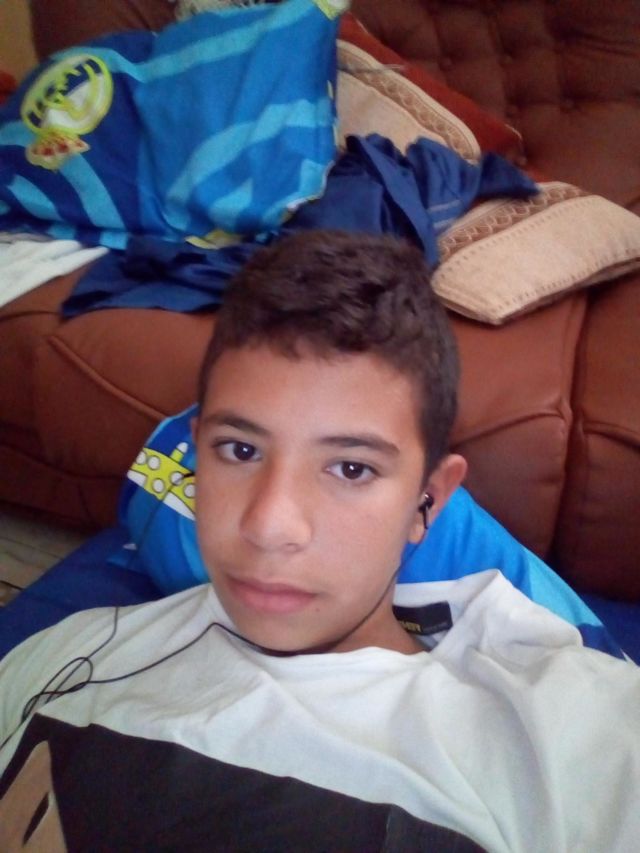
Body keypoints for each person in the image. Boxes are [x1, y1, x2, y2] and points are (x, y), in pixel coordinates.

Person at [0, 231, 638, 852]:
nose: (269, 526)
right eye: (239, 450)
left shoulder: (576, 733)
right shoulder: (66, 653)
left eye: (351, 468)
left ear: (427, 502)